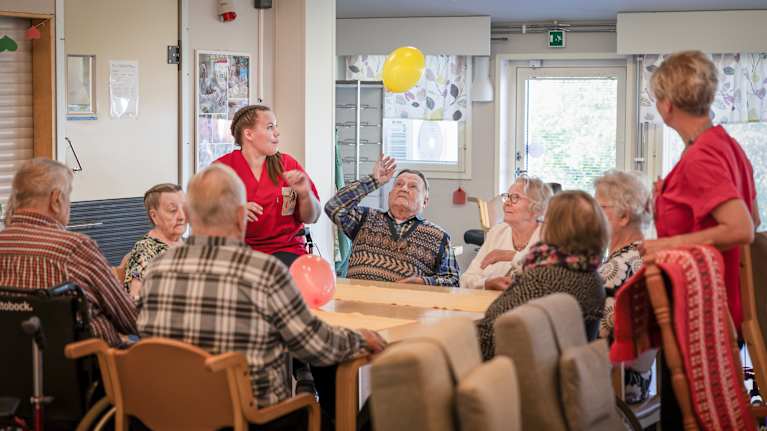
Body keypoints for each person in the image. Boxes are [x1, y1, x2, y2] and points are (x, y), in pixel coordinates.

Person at [137, 164, 385, 429]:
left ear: (187, 213)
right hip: (249, 418)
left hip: (168, 415)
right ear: (241, 215)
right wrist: (361, 338)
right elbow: (315, 344)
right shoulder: (264, 271)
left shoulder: (156, 270)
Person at [644, 50, 759, 429]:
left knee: (683, 420)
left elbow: (740, 228)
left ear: (666, 104)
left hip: (702, 310)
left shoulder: (701, 157)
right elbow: (754, 221)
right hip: (722, 306)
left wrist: (665, 244)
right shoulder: (725, 145)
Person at [0, 158, 137, 347]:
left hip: (13, 368)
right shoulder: (74, 248)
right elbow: (130, 319)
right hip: (86, 368)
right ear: (56, 199)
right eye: (68, 196)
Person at [476, 190, 608, 360]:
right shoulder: (592, 277)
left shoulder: (544, 278)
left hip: (520, 375)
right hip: (562, 376)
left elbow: (490, 330)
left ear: (554, 228)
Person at [325, 156, 459, 286]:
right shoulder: (364, 218)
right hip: (357, 303)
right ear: (390, 194)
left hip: (406, 306)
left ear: (425, 201)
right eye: (399, 184)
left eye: (413, 186)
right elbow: (334, 207)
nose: (404, 188)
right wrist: (373, 181)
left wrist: (423, 282)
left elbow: (453, 281)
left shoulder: (439, 237)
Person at [215, 104, 320, 268]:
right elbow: (202, 216)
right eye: (270, 127)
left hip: (286, 250)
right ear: (248, 134)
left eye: (276, 127)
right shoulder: (222, 169)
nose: (277, 132)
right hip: (238, 252)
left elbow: (312, 217)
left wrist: (305, 194)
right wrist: (233, 211)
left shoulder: (287, 164)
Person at [594, 170, 654, 404]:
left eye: (600, 208)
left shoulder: (616, 271)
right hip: (639, 381)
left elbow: (596, 337)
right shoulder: (646, 256)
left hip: (613, 385)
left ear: (624, 216)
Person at [460, 176, 552, 290]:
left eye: (515, 197)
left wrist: (510, 256)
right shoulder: (497, 233)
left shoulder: (549, 237)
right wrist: (486, 283)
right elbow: (465, 279)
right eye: (507, 197)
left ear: (537, 208)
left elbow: (549, 281)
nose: (507, 203)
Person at [122, 183, 186, 300]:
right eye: (173, 210)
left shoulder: (189, 244)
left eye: (185, 208)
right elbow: (136, 299)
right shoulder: (145, 250)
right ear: (154, 216)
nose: (182, 216)